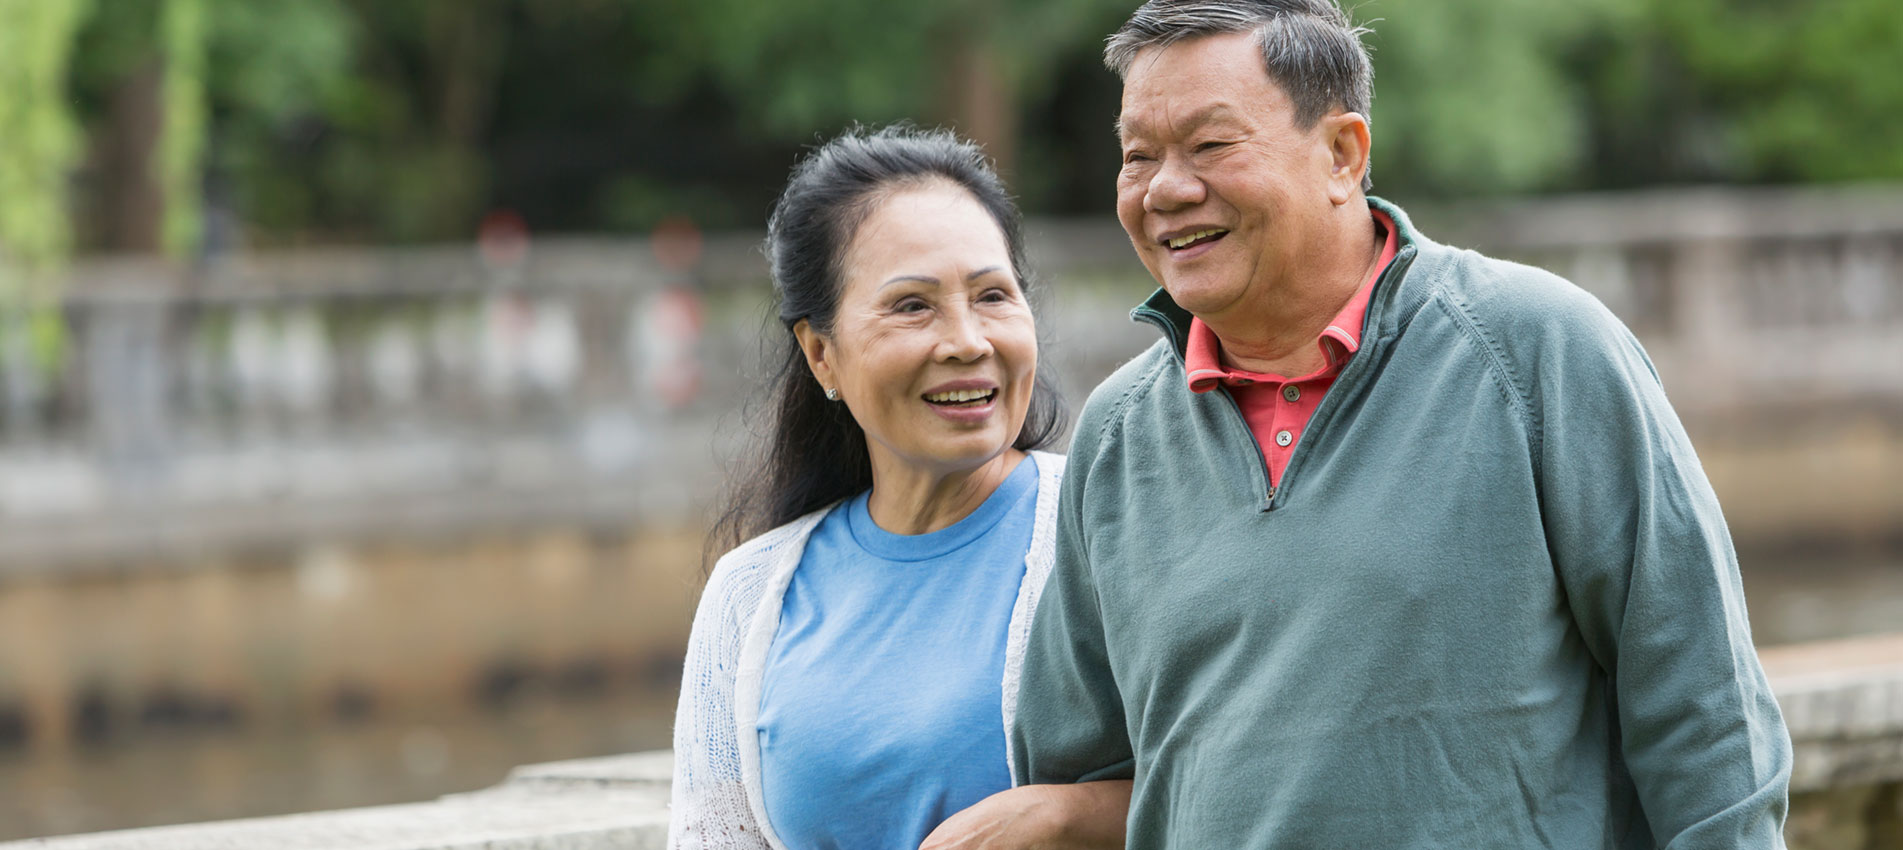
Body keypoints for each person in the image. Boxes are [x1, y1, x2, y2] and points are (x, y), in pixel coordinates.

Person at [1010, 1, 1793, 847]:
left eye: (1210, 145)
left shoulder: (1535, 350)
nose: (1165, 189)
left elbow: (1703, 709)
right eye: (1137, 156)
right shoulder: (1117, 432)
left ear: (1342, 154)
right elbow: (1079, 778)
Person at [669, 125, 1129, 850]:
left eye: (992, 295)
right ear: (821, 354)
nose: (967, 340)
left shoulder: (1113, 530)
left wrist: (1062, 817)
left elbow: (1246, 786)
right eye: (913, 305)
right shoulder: (749, 596)